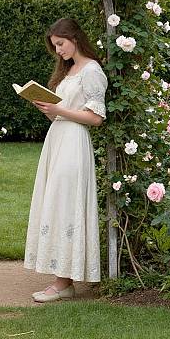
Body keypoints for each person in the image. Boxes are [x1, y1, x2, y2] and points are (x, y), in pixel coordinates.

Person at [24, 17, 108, 303]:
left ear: (74, 38)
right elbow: (61, 112)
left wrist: (61, 110)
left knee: (66, 204)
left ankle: (63, 283)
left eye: (60, 44)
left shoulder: (92, 71)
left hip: (74, 142)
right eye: (55, 46)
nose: (58, 51)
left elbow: (95, 118)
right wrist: (46, 108)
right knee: (55, 203)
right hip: (57, 139)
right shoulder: (69, 71)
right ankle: (63, 280)